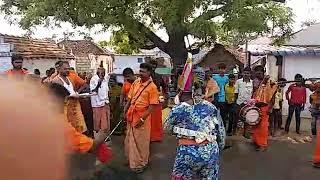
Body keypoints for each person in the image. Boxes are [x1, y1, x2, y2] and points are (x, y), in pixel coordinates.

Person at [165, 59, 225, 180]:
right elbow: (221, 135)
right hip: (210, 151)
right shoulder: (211, 107)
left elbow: (167, 129)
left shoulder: (178, 109)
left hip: (187, 153)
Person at [124, 63, 159, 173]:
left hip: (143, 117)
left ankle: (142, 163)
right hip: (131, 115)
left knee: (141, 142)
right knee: (130, 138)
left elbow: (152, 107)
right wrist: (124, 110)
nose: (140, 73)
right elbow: (130, 99)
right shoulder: (136, 82)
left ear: (149, 73)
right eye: (140, 71)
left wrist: (142, 119)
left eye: (143, 71)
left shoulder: (153, 87)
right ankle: (132, 159)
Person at [52, 61, 87, 133]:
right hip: (65, 107)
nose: (67, 70)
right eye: (65, 69)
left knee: (79, 127)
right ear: (58, 69)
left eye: (68, 69)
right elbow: (56, 97)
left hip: (75, 106)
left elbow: (74, 90)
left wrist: (77, 93)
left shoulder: (70, 79)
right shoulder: (56, 80)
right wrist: (69, 96)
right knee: (68, 128)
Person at [251, 65, 277, 151]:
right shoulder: (255, 81)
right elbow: (254, 93)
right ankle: (256, 141)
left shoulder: (270, 82)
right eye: (256, 72)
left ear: (262, 72)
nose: (257, 74)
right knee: (255, 125)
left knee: (263, 126)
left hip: (265, 106)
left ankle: (262, 144)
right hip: (256, 106)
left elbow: (273, 95)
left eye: (259, 72)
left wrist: (270, 107)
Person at [90, 67, 110, 134]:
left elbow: (106, 91)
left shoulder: (105, 79)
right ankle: (97, 139)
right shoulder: (94, 79)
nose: (103, 75)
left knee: (106, 123)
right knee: (97, 123)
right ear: (97, 73)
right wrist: (99, 83)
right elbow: (93, 91)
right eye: (101, 74)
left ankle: (105, 138)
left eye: (104, 73)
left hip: (105, 103)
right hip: (97, 104)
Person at [213, 63, 229, 127]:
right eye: (220, 69)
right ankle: (215, 126)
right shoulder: (215, 77)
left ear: (225, 70)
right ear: (218, 69)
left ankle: (223, 127)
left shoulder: (226, 78)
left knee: (223, 114)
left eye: (223, 69)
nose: (222, 70)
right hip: (216, 98)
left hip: (223, 98)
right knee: (215, 114)